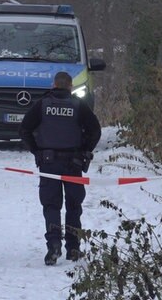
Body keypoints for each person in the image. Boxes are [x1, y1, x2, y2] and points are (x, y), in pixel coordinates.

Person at [19, 71, 101, 266]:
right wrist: (85, 150)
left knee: (51, 205)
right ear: (70, 87)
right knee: (74, 206)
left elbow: (24, 129)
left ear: (53, 85)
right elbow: (95, 130)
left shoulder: (42, 104)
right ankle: (73, 248)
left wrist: (36, 151)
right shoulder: (79, 105)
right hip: (73, 163)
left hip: (48, 163)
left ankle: (54, 244)